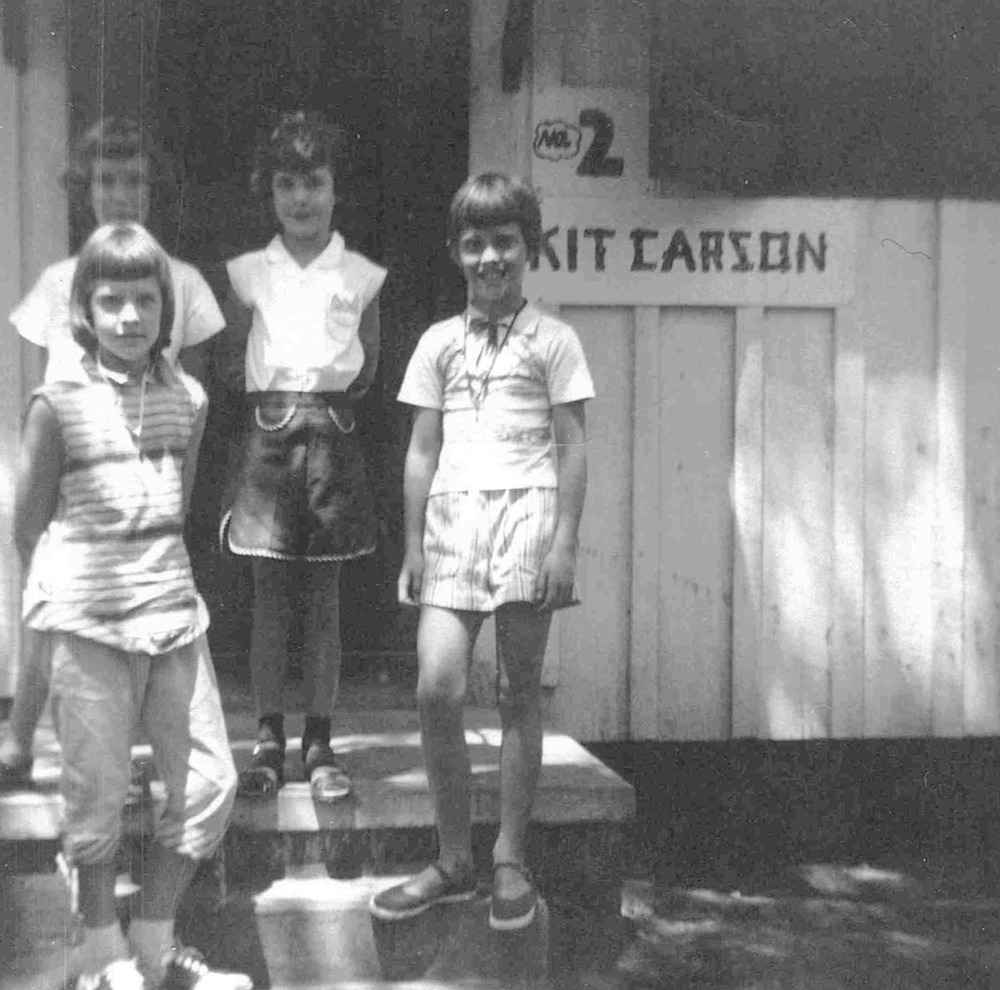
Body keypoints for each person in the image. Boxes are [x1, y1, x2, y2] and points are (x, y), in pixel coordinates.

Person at [15, 222, 248, 989]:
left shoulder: (190, 398)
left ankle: (151, 944)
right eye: (109, 300)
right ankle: (99, 952)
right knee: (96, 796)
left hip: (174, 616)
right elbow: (29, 526)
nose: (127, 317)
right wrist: (68, 607)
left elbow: (175, 507)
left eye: (143, 300)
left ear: (165, 308)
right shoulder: (57, 403)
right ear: (81, 309)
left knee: (211, 784)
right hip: (87, 626)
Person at [369, 173, 594, 931]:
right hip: (452, 525)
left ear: (530, 248)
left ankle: (508, 856)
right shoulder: (437, 342)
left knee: (518, 688)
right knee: (438, 685)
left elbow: (572, 446)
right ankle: (452, 855)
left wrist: (564, 541)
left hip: (528, 521)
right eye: (475, 244)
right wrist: (412, 548)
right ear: (455, 252)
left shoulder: (555, 341)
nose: (490, 258)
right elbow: (420, 451)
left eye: (505, 242)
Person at [0, 118, 226, 788]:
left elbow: (193, 392)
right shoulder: (58, 281)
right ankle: (20, 736)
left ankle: (125, 750)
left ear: (155, 191)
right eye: (107, 180)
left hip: (142, 462)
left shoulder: (180, 282)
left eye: (135, 180)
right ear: (86, 190)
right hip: (71, 459)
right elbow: (46, 379)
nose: (121, 193)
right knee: (46, 592)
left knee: (134, 606)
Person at [221, 111, 387, 802]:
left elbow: (371, 367)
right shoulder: (246, 274)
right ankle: (267, 738)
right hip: (267, 437)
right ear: (271, 193)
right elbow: (232, 361)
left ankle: (319, 742)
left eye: (313, 182)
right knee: (269, 598)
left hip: (334, 436)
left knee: (323, 601)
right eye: (286, 184)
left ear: (335, 187)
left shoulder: (362, 275)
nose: (301, 199)